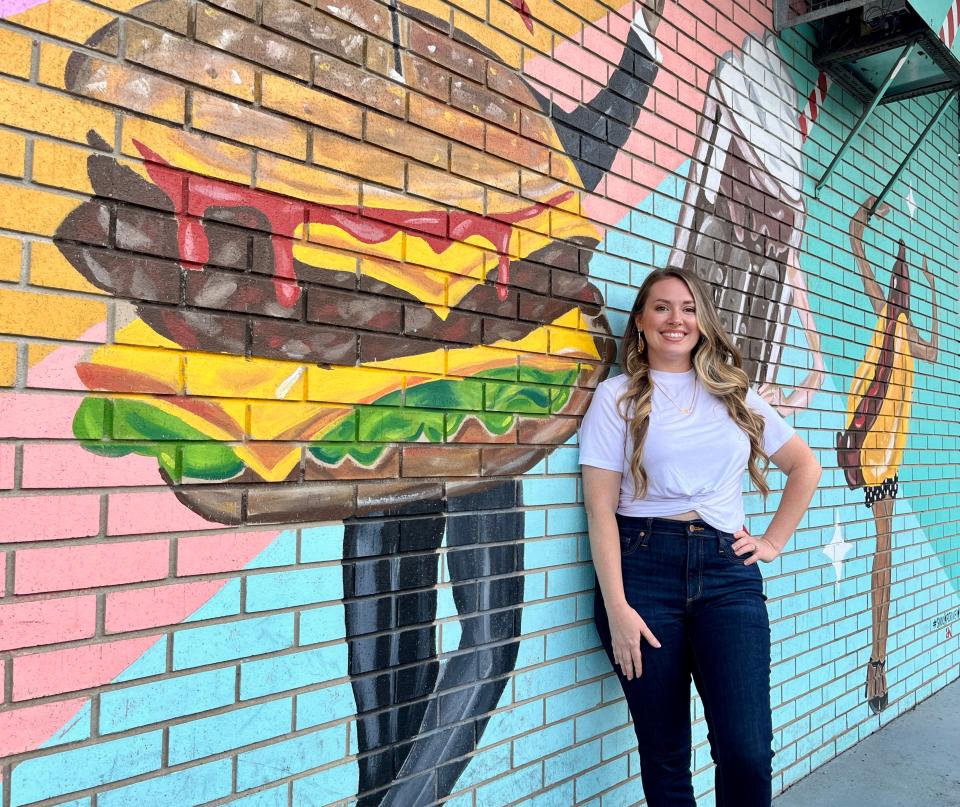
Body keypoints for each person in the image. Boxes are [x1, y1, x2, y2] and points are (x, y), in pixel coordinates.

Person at [579, 267, 821, 807]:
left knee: (747, 750)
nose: (676, 319)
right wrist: (617, 607)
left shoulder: (735, 393)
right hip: (642, 574)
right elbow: (599, 510)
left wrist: (772, 542)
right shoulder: (616, 397)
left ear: (703, 321)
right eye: (661, 307)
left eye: (688, 308)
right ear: (640, 323)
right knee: (665, 755)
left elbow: (804, 466)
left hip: (726, 575)